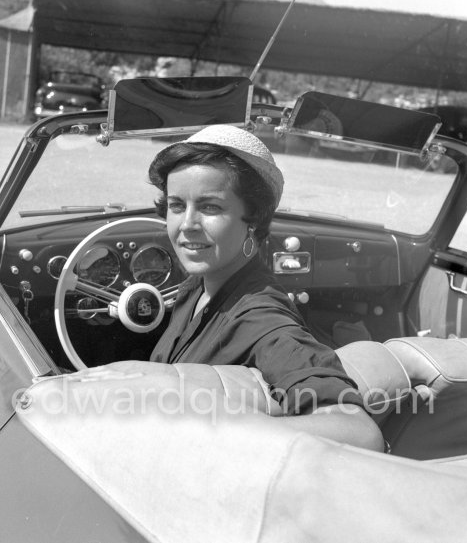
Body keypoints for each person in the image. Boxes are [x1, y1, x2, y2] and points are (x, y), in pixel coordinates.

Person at [148, 124, 383, 451]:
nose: (187, 224)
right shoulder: (197, 286)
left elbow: (357, 430)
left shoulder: (261, 318)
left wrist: (212, 433)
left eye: (210, 207)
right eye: (176, 206)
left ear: (254, 218)